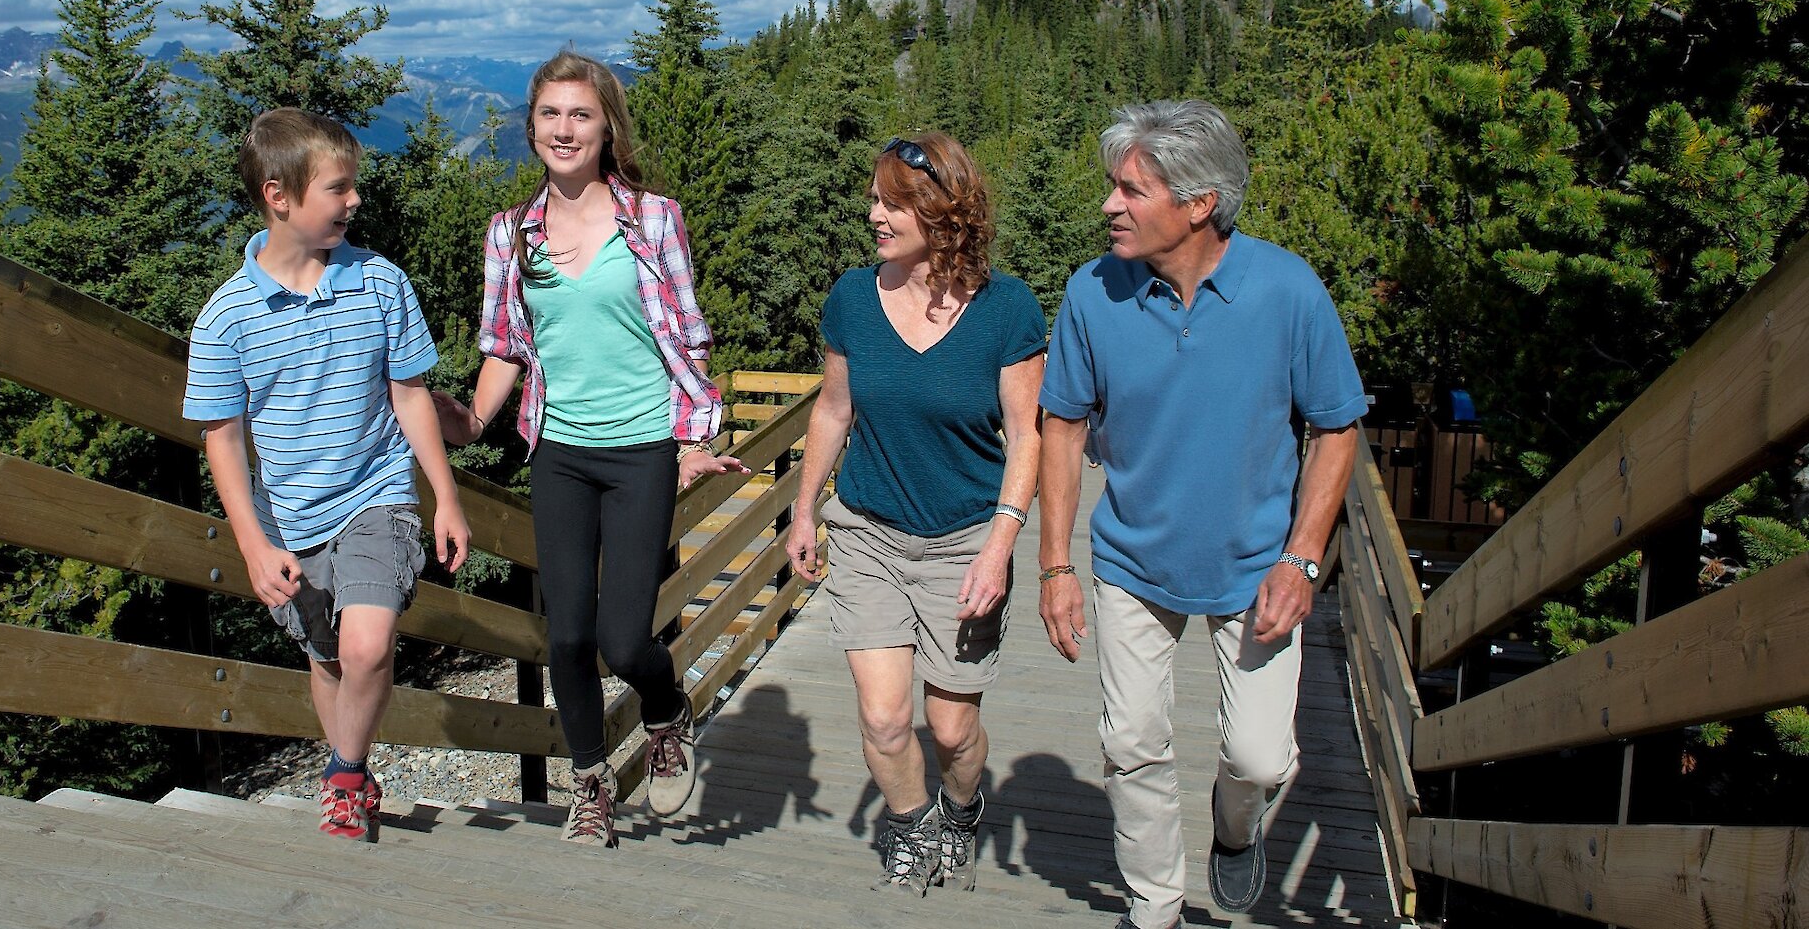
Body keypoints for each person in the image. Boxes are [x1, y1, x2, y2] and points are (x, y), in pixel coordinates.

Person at [1034, 100, 1366, 929]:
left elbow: (1336, 426)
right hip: (1132, 562)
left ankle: (1233, 824)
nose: (1110, 204)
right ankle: (1154, 906)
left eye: (1131, 189)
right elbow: (1063, 426)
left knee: (1260, 755)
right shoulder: (1091, 291)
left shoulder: (1287, 290)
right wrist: (1055, 565)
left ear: (1199, 204)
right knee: (1131, 742)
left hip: (1258, 567)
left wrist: (1302, 558)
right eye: (1112, 185)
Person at [435, 50, 746, 848]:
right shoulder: (511, 234)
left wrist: (692, 438)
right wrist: (469, 418)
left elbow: (688, 336)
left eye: (580, 114)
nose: (564, 129)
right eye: (550, 114)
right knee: (566, 634)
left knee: (623, 638)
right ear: (531, 125)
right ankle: (591, 783)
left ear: (607, 125)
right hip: (561, 451)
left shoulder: (654, 218)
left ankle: (667, 707)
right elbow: (504, 344)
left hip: (643, 445)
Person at [184, 108, 470, 843]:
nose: (355, 201)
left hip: (378, 494)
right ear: (279, 195)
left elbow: (410, 394)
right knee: (330, 656)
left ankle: (343, 771)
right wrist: (251, 542)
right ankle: (352, 773)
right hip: (291, 520)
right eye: (338, 188)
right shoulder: (226, 320)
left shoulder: (381, 283)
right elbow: (222, 439)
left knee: (368, 643)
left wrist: (446, 495)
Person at [787, 132, 1046, 897]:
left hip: (967, 538)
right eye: (874, 198)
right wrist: (805, 508)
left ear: (943, 212)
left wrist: (1001, 545)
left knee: (954, 730)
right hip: (867, 529)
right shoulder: (851, 299)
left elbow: (1026, 435)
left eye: (892, 202)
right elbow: (833, 410)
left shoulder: (1008, 310)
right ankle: (910, 823)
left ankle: (961, 806)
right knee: (886, 719)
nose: (873, 214)